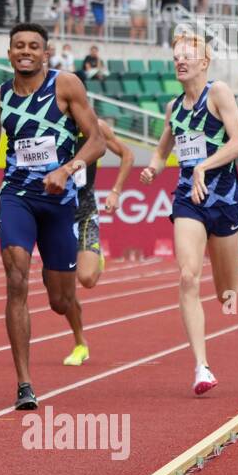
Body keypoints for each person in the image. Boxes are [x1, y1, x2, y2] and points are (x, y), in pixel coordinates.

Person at [0, 22, 103, 410]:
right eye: (19, 46)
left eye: (34, 46)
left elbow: (96, 141)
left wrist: (66, 170)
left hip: (60, 202)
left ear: (45, 53)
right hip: (18, 198)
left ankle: (77, 329)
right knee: (16, 278)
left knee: (60, 299)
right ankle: (25, 384)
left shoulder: (66, 86)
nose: (26, 51)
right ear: (10, 53)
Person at [139, 30, 238, 396]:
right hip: (189, 198)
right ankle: (201, 367)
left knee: (225, 293)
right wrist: (153, 168)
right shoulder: (173, 107)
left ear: (204, 62)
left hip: (225, 198)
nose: (180, 61)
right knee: (188, 276)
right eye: (176, 56)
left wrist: (204, 165)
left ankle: (225, 294)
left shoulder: (217, 93)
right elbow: (162, 149)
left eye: (187, 55)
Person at [59, 115, 132, 365]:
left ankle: (95, 255)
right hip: (56, 213)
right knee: (60, 294)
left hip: (85, 210)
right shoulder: (45, 124)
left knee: (87, 278)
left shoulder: (95, 127)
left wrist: (116, 191)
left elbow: (127, 155)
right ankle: (80, 343)